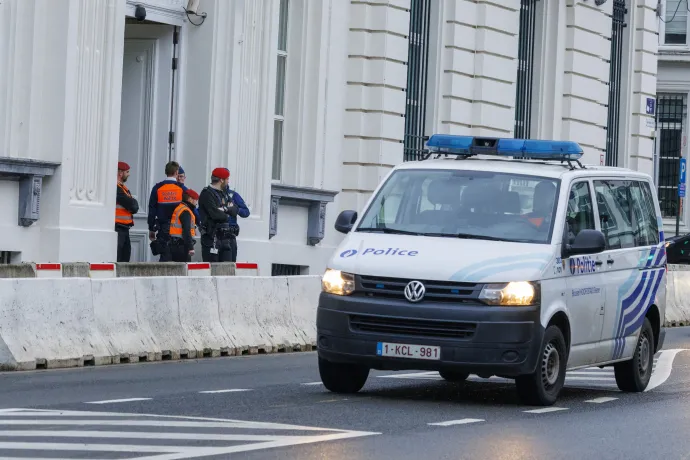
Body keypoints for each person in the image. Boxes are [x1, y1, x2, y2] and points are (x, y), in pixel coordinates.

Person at [147, 161, 187, 261]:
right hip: (179, 229)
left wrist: (151, 228)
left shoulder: (157, 188)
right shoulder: (182, 188)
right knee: (180, 260)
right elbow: (189, 209)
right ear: (177, 172)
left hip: (163, 229)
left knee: (165, 258)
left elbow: (152, 209)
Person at [198, 168, 239, 262]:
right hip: (212, 238)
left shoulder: (224, 193)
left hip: (225, 238)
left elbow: (235, 210)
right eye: (227, 179)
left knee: (227, 269)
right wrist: (227, 212)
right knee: (213, 269)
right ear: (221, 180)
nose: (228, 182)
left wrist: (224, 209)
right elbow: (216, 215)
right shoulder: (207, 194)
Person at [222, 168, 250, 262]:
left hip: (230, 235)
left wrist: (236, 209)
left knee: (230, 266)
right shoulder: (211, 194)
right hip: (215, 235)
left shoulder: (233, 195)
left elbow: (246, 212)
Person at [115, 161, 139, 262]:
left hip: (124, 228)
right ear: (120, 173)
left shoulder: (122, 188)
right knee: (120, 257)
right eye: (127, 172)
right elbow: (133, 206)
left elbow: (133, 205)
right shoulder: (116, 188)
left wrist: (133, 202)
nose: (128, 174)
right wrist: (133, 202)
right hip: (118, 228)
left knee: (125, 256)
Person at [169, 189, 199, 262]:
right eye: (196, 200)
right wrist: (190, 247)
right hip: (182, 246)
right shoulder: (185, 211)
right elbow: (186, 230)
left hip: (176, 244)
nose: (196, 203)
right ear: (190, 199)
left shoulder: (180, 208)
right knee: (184, 269)